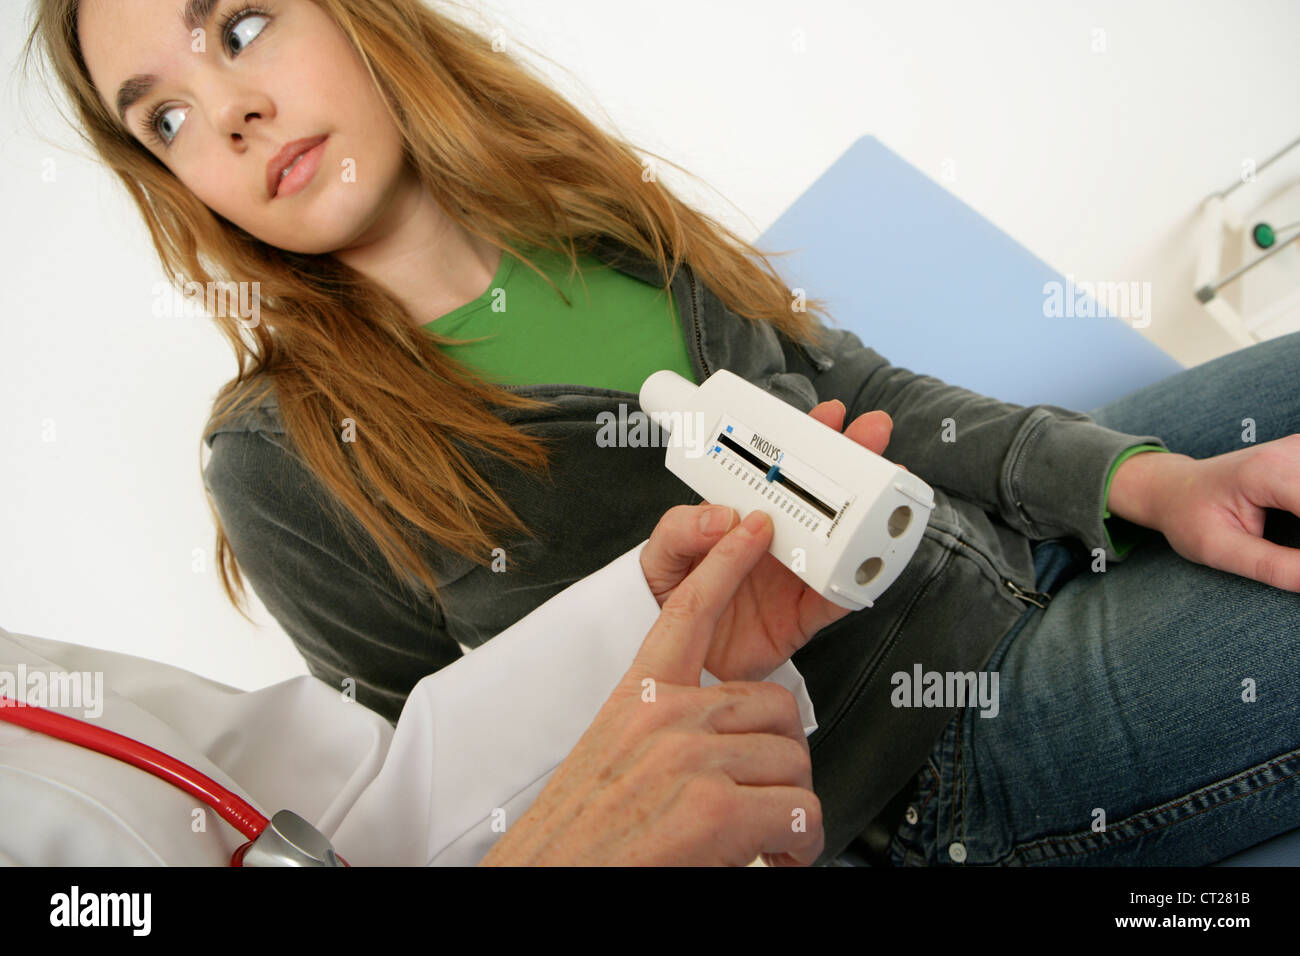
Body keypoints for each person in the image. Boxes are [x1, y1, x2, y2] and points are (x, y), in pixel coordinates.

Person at [28, 0, 1300, 866]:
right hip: (948, 760)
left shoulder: (577, 199)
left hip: (996, 538)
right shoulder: (284, 459)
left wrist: (1146, 480)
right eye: (167, 118)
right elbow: (436, 803)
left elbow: (869, 391)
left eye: (240, 26)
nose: (230, 110)